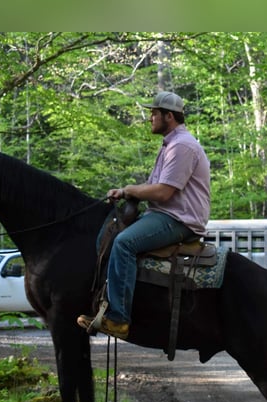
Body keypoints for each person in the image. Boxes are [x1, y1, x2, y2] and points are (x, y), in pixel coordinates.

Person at [77, 91, 211, 340]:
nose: (150, 118)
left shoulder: (182, 146)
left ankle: (118, 319)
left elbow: (163, 192)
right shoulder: (171, 144)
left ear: (168, 116)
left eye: (154, 113)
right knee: (112, 233)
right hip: (167, 214)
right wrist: (129, 192)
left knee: (125, 242)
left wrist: (128, 190)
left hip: (178, 219)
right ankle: (103, 304)